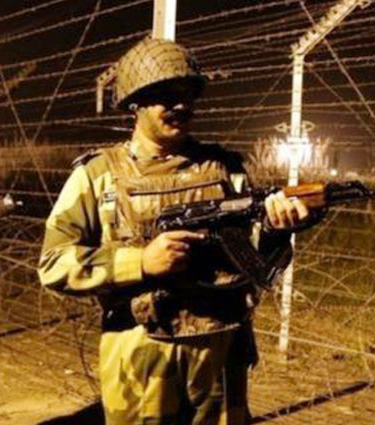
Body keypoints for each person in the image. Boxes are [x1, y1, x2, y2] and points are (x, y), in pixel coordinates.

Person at [38, 37, 315, 425]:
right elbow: (53, 264)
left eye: (187, 96)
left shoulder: (225, 169)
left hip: (219, 353)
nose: (181, 106)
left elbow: (254, 261)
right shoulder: (98, 175)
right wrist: (140, 262)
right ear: (135, 103)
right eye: (166, 97)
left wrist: (275, 229)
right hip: (140, 358)